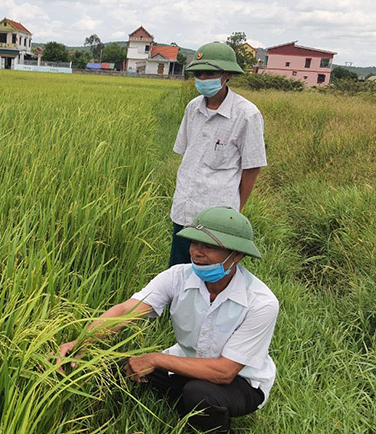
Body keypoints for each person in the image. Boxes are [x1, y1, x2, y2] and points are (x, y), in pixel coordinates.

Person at [54, 207, 278, 434]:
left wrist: (155, 359)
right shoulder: (177, 276)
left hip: (240, 382)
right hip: (186, 364)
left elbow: (224, 372)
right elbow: (126, 311)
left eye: (209, 247)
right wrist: (83, 342)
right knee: (117, 370)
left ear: (237, 255)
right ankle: (177, 407)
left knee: (199, 394)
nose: (196, 253)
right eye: (194, 243)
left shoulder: (261, 303)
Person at [170, 42, 267, 266]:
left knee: (211, 276)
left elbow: (252, 168)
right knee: (179, 273)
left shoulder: (246, 115)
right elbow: (187, 154)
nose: (203, 78)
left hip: (218, 218)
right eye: (199, 73)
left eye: (210, 73)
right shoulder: (192, 108)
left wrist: (236, 211)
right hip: (184, 209)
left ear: (226, 75)